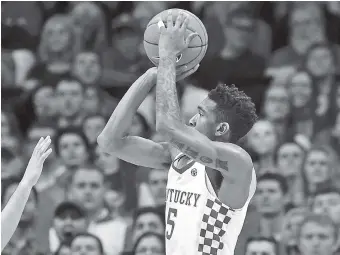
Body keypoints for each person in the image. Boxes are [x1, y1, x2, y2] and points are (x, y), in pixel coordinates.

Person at [98, 11, 257, 255]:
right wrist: (151, 76)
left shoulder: (237, 162)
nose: (193, 117)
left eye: (202, 113)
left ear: (221, 129)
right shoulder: (178, 155)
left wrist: (168, 59)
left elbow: (166, 126)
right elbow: (109, 141)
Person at [1, 136, 52, 252]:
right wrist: (25, 184)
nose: (21, 206)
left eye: (28, 200)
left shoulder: (47, 238)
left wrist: (27, 184)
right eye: (10, 200)